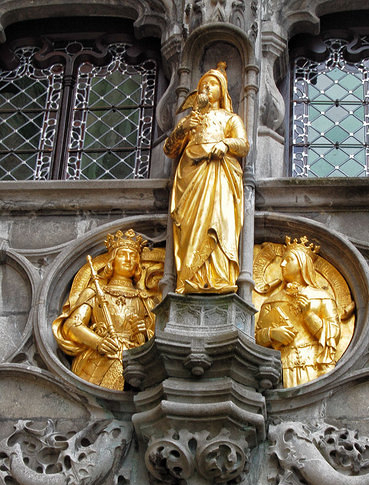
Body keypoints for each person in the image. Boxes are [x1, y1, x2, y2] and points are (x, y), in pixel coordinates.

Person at [164, 62, 249, 294]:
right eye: (202, 86)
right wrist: (182, 129)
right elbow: (170, 150)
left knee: (218, 221)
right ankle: (188, 278)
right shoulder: (191, 120)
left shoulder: (230, 119)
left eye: (212, 84)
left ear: (222, 90)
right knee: (192, 228)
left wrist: (225, 144)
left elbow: (243, 145)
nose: (207, 89)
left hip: (219, 173)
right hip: (191, 177)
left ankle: (219, 277)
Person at [53, 229, 155, 390]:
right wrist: (98, 342)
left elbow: (156, 341)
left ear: (138, 263)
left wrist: (142, 334)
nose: (128, 260)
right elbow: (72, 325)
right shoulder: (94, 292)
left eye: (133, 256)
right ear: (112, 260)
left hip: (134, 360)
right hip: (100, 355)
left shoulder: (144, 300)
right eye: (122, 254)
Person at [255, 237, 341, 388]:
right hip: (278, 368)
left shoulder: (322, 298)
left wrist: (309, 316)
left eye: (288, 260)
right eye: (282, 260)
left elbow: (332, 335)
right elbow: (257, 336)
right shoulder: (272, 301)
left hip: (313, 364)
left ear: (302, 263)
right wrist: (271, 334)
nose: (282, 264)